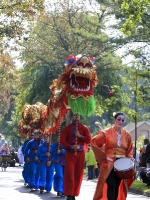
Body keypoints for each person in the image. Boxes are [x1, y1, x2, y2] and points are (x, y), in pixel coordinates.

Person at [91, 111, 133, 200]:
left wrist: (129, 159)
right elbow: (95, 143)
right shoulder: (106, 132)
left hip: (121, 164)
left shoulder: (127, 134)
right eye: (119, 119)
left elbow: (129, 149)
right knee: (111, 184)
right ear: (115, 120)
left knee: (117, 185)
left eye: (122, 120)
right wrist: (101, 137)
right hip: (109, 162)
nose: (120, 121)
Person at [60, 113, 91, 200]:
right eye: (74, 115)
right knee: (69, 173)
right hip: (70, 153)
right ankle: (69, 193)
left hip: (80, 154)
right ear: (71, 117)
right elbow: (62, 141)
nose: (76, 117)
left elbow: (88, 139)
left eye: (78, 115)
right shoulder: (67, 128)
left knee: (78, 174)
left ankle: (74, 193)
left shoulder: (84, 128)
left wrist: (80, 136)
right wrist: (70, 146)